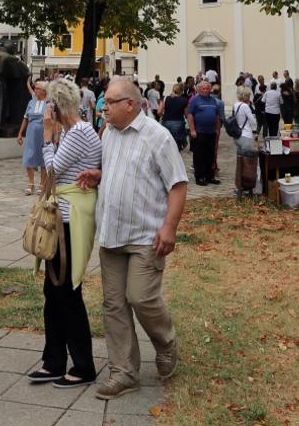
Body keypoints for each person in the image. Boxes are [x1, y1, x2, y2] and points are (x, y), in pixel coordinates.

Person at [73, 78, 186, 400]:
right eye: (103, 101)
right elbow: (117, 170)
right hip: (112, 234)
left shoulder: (157, 137)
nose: (103, 107)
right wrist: (99, 176)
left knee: (141, 297)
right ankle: (123, 372)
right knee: (114, 305)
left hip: (145, 236)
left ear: (130, 105)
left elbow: (178, 184)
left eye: (109, 102)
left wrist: (169, 227)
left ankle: (165, 342)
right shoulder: (108, 133)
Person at [26, 78, 102, 389]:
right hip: (65, 218)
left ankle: (82, 365)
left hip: (68, 221)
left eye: (50, 106)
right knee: (54, 290)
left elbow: (52, 171)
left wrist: (46, 137)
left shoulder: (78, 132)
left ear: (57, 107)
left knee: (66, 291)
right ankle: (54, 360)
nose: (48, 111)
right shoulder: (76, 131)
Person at [185, 80, 221, 186]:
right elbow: (190, 115)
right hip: (199, 132)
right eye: (203, 89)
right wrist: (192, 130)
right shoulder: (195, 100)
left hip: (211, 132)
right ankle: (200, 177)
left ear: (210, 90)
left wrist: (217, 129)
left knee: (210, 155)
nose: (206, 90)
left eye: (207, 88)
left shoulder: (213, 101)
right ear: (199, 90)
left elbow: (217, 116)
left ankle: (210, 176)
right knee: (199, 156)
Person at [18, 80, 50, 195]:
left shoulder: (49, 103)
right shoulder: (31, 102)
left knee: (43, 157)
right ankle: (30, 183)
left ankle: (42, 184)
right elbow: (25, 118)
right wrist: (20, 133)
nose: (35, 90)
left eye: (37, 88)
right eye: (35, 88)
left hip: (44, 132)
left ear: (44, 91)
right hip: (31, 131)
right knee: (29, 156)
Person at [161, 83, 189, 150]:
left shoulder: (166, 98)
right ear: (182, 91)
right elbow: (186, 115)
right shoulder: (184, 100)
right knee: (177, 146)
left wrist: (164, 116)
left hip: (166, 122)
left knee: (168, 143)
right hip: (178, 123)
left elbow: (159, 111)